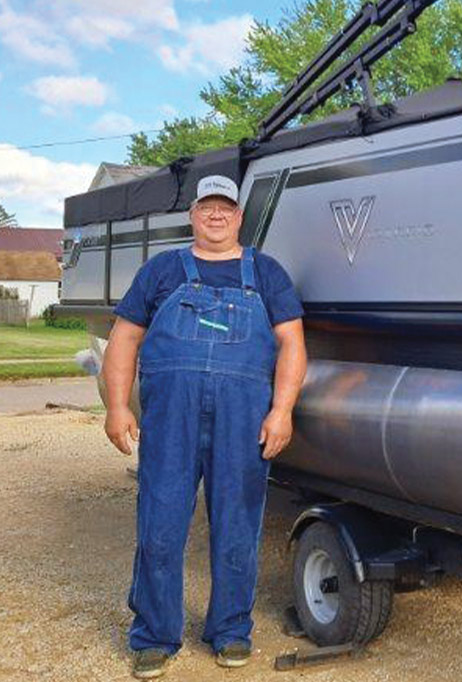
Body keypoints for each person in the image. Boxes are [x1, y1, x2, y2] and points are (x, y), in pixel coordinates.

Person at [101, 175, 308, 679]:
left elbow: (293, 346)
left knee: (238, 525)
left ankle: (231, 629)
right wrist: (116, 407)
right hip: (171, 416)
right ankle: (154, 636)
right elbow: (124, 339)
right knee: (161, 523)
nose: (216, 216)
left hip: (244, 419)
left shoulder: (267, 273)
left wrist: (281, 411)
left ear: (240, 217)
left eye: (226, 208)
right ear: (193, 214)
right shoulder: (163, 270)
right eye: (206, 207)